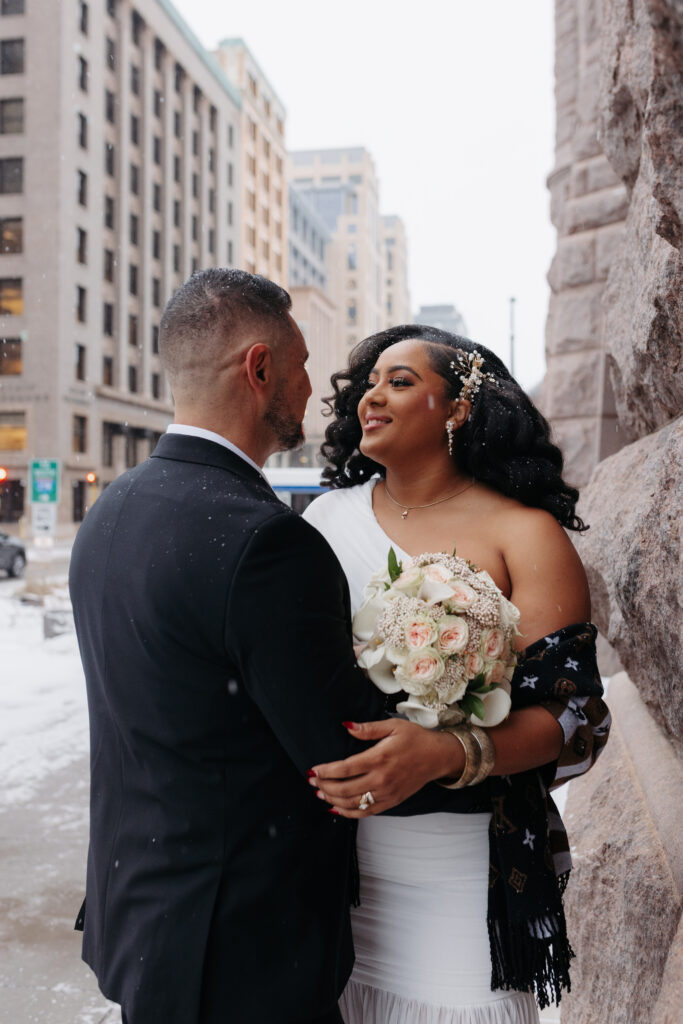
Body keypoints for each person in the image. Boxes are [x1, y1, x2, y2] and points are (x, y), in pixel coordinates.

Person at [69, 271, 495, 1024]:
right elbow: (351, 760)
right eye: (301, 366)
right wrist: (510, 747)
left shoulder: (113, 510)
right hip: (241, 957)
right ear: (258, 367)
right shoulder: (262, 541)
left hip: (144, 921)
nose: (316, 391)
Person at [302, 324, 611, 1023]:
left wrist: (451, 751)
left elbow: (576, 719)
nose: (372, 396)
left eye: (400, 381)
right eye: (368, 383)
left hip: (462, 875)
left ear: (460, 408)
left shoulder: (523, 534)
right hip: (332, 868)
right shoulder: (322, 521)